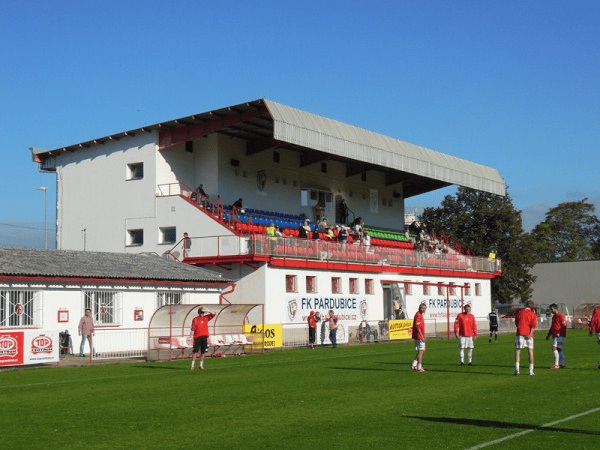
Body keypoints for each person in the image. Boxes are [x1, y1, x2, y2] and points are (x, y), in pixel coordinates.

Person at [514, 300, 538, 376]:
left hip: (520, 333)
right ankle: (531, 371)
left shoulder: (520, 312)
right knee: (530, 352)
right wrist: (530, 334)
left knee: (518, 351)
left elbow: (516, 322)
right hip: (528, 334)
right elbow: (533, 325)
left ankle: (517, 369)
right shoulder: (532, 314)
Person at [189, 306, 216, 371]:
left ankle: (201, 365)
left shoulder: (206, 318)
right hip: (197, 337)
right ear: (199, 313)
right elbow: (193, 329)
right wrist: (190, 336)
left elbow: (213, 314)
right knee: (195, 351)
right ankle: (192, 366)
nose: (202, 314)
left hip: (204, 337)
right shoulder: (195, 319)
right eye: (201, 312)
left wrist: (207, 310)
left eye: (203, 312)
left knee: (203, 352)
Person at [546, 303, 567, 370]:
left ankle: (556, 364)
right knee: (559, 349)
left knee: (555, 348)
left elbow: (564, 324)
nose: (551, 311)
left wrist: (559, 332)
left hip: (559, 335)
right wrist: (549, 335)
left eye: (552, 309)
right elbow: (552, 327)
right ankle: (562, 364)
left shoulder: (560, 315)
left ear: (555, 308)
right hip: (555, 334)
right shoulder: (554, 316)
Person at [411, 302, 428, 372]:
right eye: (422, 308)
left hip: (419, 336)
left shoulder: (420, 314)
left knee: (421, 350)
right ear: (420, 308)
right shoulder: (418, 315)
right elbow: (417, 327)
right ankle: (419, 367)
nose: (424, 310)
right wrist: (421, 336)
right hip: (418, 336)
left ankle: (414, 364)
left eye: (425, 308)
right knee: (421, 351)